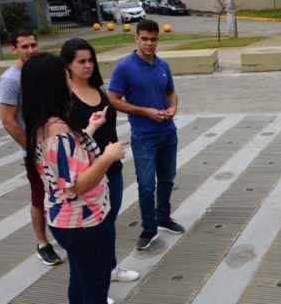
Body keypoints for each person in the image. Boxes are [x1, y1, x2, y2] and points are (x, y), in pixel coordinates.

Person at [22, 52, 124, 304]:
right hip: (82, 221)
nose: (70, 80)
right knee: (95, 284)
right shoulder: (57, 132)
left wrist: (90, 128)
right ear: (55, 84)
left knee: (80, 277)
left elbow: (65, 162)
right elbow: (76, 185)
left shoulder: (43, 124)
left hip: (66, 220)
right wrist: (108, 157)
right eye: (66, 75)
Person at [60, 38, 140, 283]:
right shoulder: (65, 98)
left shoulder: (97, 89)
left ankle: (110, 268)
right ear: (68, 65)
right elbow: (70, 141)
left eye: (90, 60)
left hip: (111, 168)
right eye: (81, 61)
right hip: (88, 173)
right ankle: (96, 283)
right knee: (94, 231)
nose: (88, 65)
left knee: (109, 222)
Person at [108, 19, 185, 251]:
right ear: (136, 38)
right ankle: (149, 228)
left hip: (168, 133)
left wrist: (173, 109)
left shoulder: (163, 66)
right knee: (146, 185)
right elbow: (112, 99)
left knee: (167, 179)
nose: (149, 43)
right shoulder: (124, 67)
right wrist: (144, 112)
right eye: (145, 39)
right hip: (144, 137)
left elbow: (171, 93)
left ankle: (163, 217)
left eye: (153, 39)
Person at [0, 29, 63, 266]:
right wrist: (31, 148)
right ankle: (42, 243)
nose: (31, 50)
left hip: (54, 145)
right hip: (34, 151)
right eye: (24, 46)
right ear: (14, 49)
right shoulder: (10, 80)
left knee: (59, 193)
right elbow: (8, 120)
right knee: (39, 196)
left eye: (33, 45)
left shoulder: (39, 73)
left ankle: (61, 232)